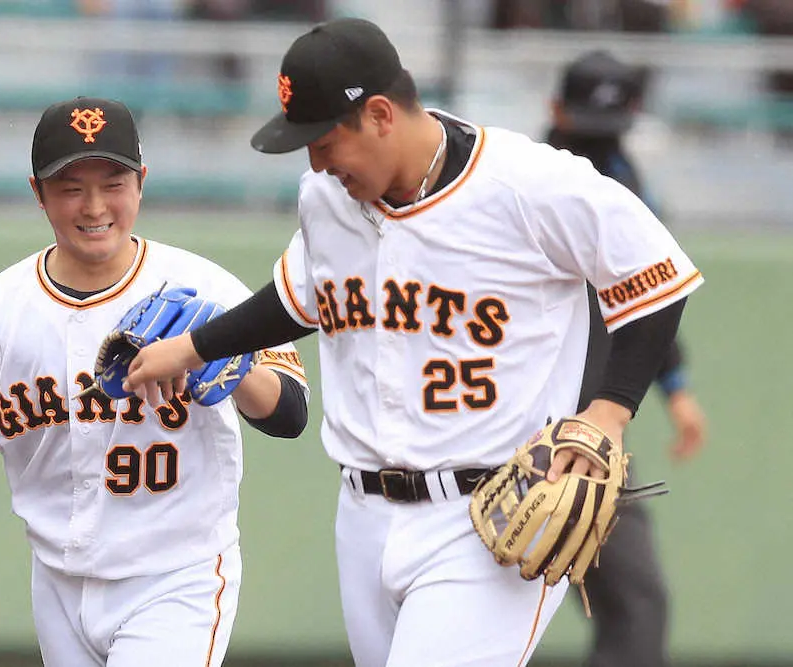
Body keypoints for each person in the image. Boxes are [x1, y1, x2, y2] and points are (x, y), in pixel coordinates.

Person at [119, 18, 704, 667]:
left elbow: (657, 274)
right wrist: (195, 347)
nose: (314, 160)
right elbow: (301, 298)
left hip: (487, 516)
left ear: (378, 114)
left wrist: (610, 411)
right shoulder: (327, 197)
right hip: (362, 518)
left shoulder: (528, 183)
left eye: (322, 138)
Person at [0, 96, 310, 666]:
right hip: (58, 585)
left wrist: (228, 363)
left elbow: (290, 414)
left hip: (177, 576)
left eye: (113, 182)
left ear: (141, 182)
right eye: (70, 187)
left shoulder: (203, 287)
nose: (94, 205)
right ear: (37, 193)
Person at [545, 49, 708, 667]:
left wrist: (678, 387)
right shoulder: (522, 182)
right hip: (521, 423)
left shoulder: (626, 179)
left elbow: (649, 300)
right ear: (555, 110)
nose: (594, 142)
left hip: (597, 423)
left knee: (638, 605)